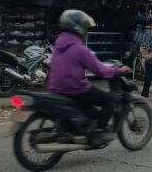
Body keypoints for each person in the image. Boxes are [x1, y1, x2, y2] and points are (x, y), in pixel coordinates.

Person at [48, 10, 131, 144]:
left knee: (91, 102)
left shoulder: (58, 44)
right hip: (75, 89)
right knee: (111, 100)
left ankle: (85, 125)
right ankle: (98, 132)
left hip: (56, 88)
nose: (86, 30)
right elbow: (100, 70)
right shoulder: (80, 49)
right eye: (85, 27)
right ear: (78, 27)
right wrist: (119, 70)